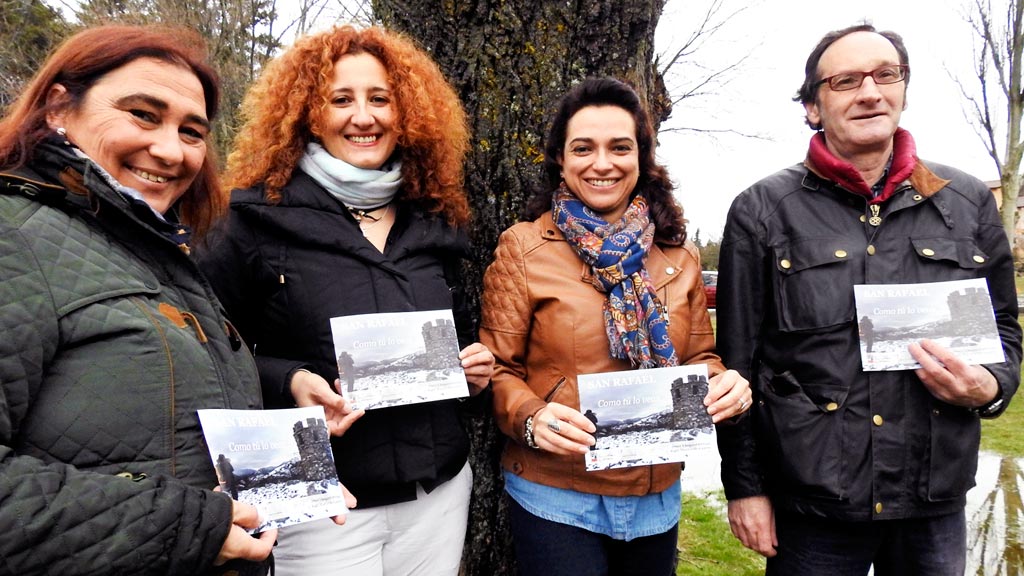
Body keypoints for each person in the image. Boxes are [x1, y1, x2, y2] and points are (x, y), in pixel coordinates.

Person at [716, 23, 1023, 576]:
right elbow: (736, 366)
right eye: (846, 80)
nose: (870, 92)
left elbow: (1005, 330)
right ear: (812, 106)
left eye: (886, 75)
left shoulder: (967, 202)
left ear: (903, 90)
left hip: (932, 496)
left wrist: (991, 385)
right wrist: (745, 489)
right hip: (814, 503)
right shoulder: (763, 210)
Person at [197, 25, 495, 576]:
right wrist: (288, 379)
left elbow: (455, 341)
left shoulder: (434, 221)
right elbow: (208, 352)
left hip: (438, 496)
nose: (364, 117)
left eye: (380, 99)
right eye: (342, 99)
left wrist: (473, 373)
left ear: (403, 112)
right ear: (309, 113)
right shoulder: (249, 220)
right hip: (320, 505)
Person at [0, 24, 280, 575]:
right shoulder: (14, 237)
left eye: (192, 131)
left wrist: (294, 478)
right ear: (58, 107)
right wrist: (187, 527)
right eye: (143, 114)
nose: (169, 149)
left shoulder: (159, 249)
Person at [479, 77, 751, 576]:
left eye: (619, 147)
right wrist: (532, 418)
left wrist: (724, 386)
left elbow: (698, 360)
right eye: (583, 148)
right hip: (557, 492)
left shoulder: (677, 253)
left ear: (642, 159)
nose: (602, 163)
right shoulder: (524, 247)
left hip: (656, 491)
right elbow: (495, 368)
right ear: (560, 159)